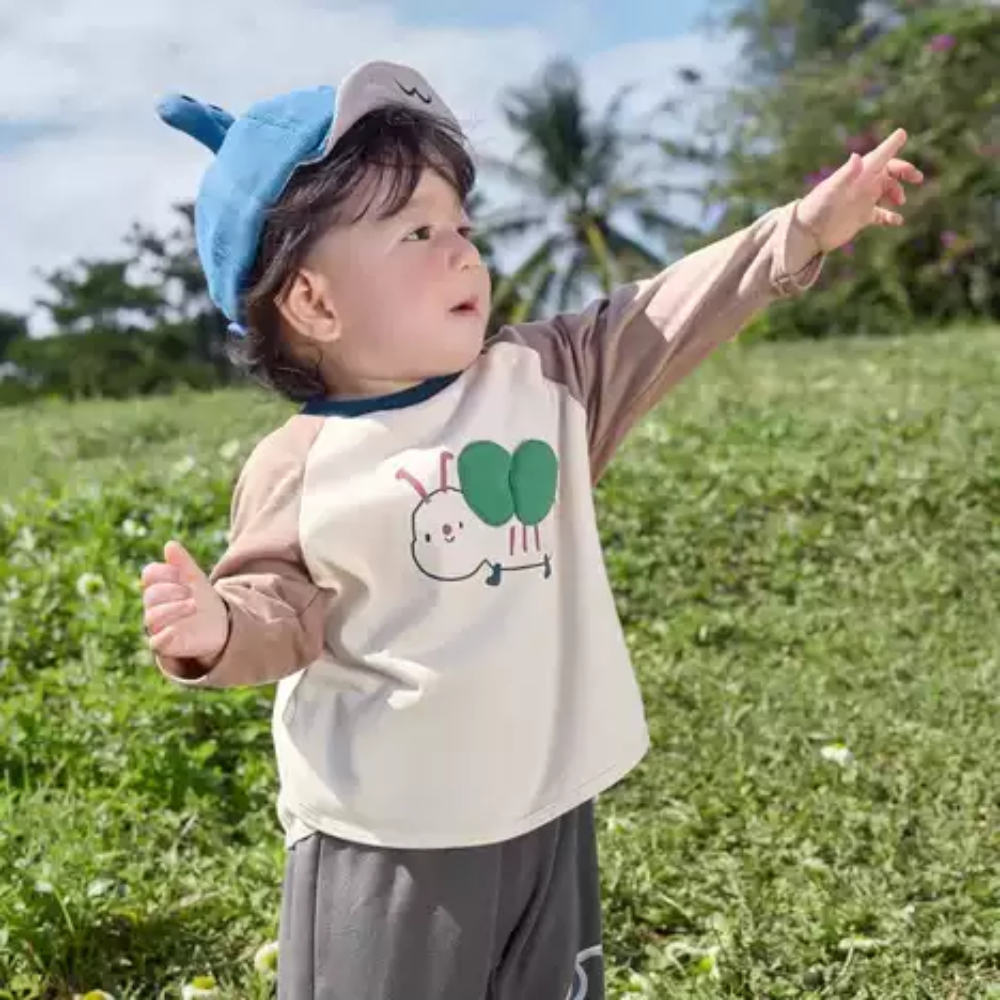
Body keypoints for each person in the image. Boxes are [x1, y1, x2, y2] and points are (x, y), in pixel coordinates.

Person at [141, 60, 923, 1000]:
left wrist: (801, 229)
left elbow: (671, 312)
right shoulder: (301, 464)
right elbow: (281, 611)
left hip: (546, 807)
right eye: (417, 231)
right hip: (391, 841)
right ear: (314, 302)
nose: (463, 252)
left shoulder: (548, 378)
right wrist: (218, 629)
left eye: (462, 226)